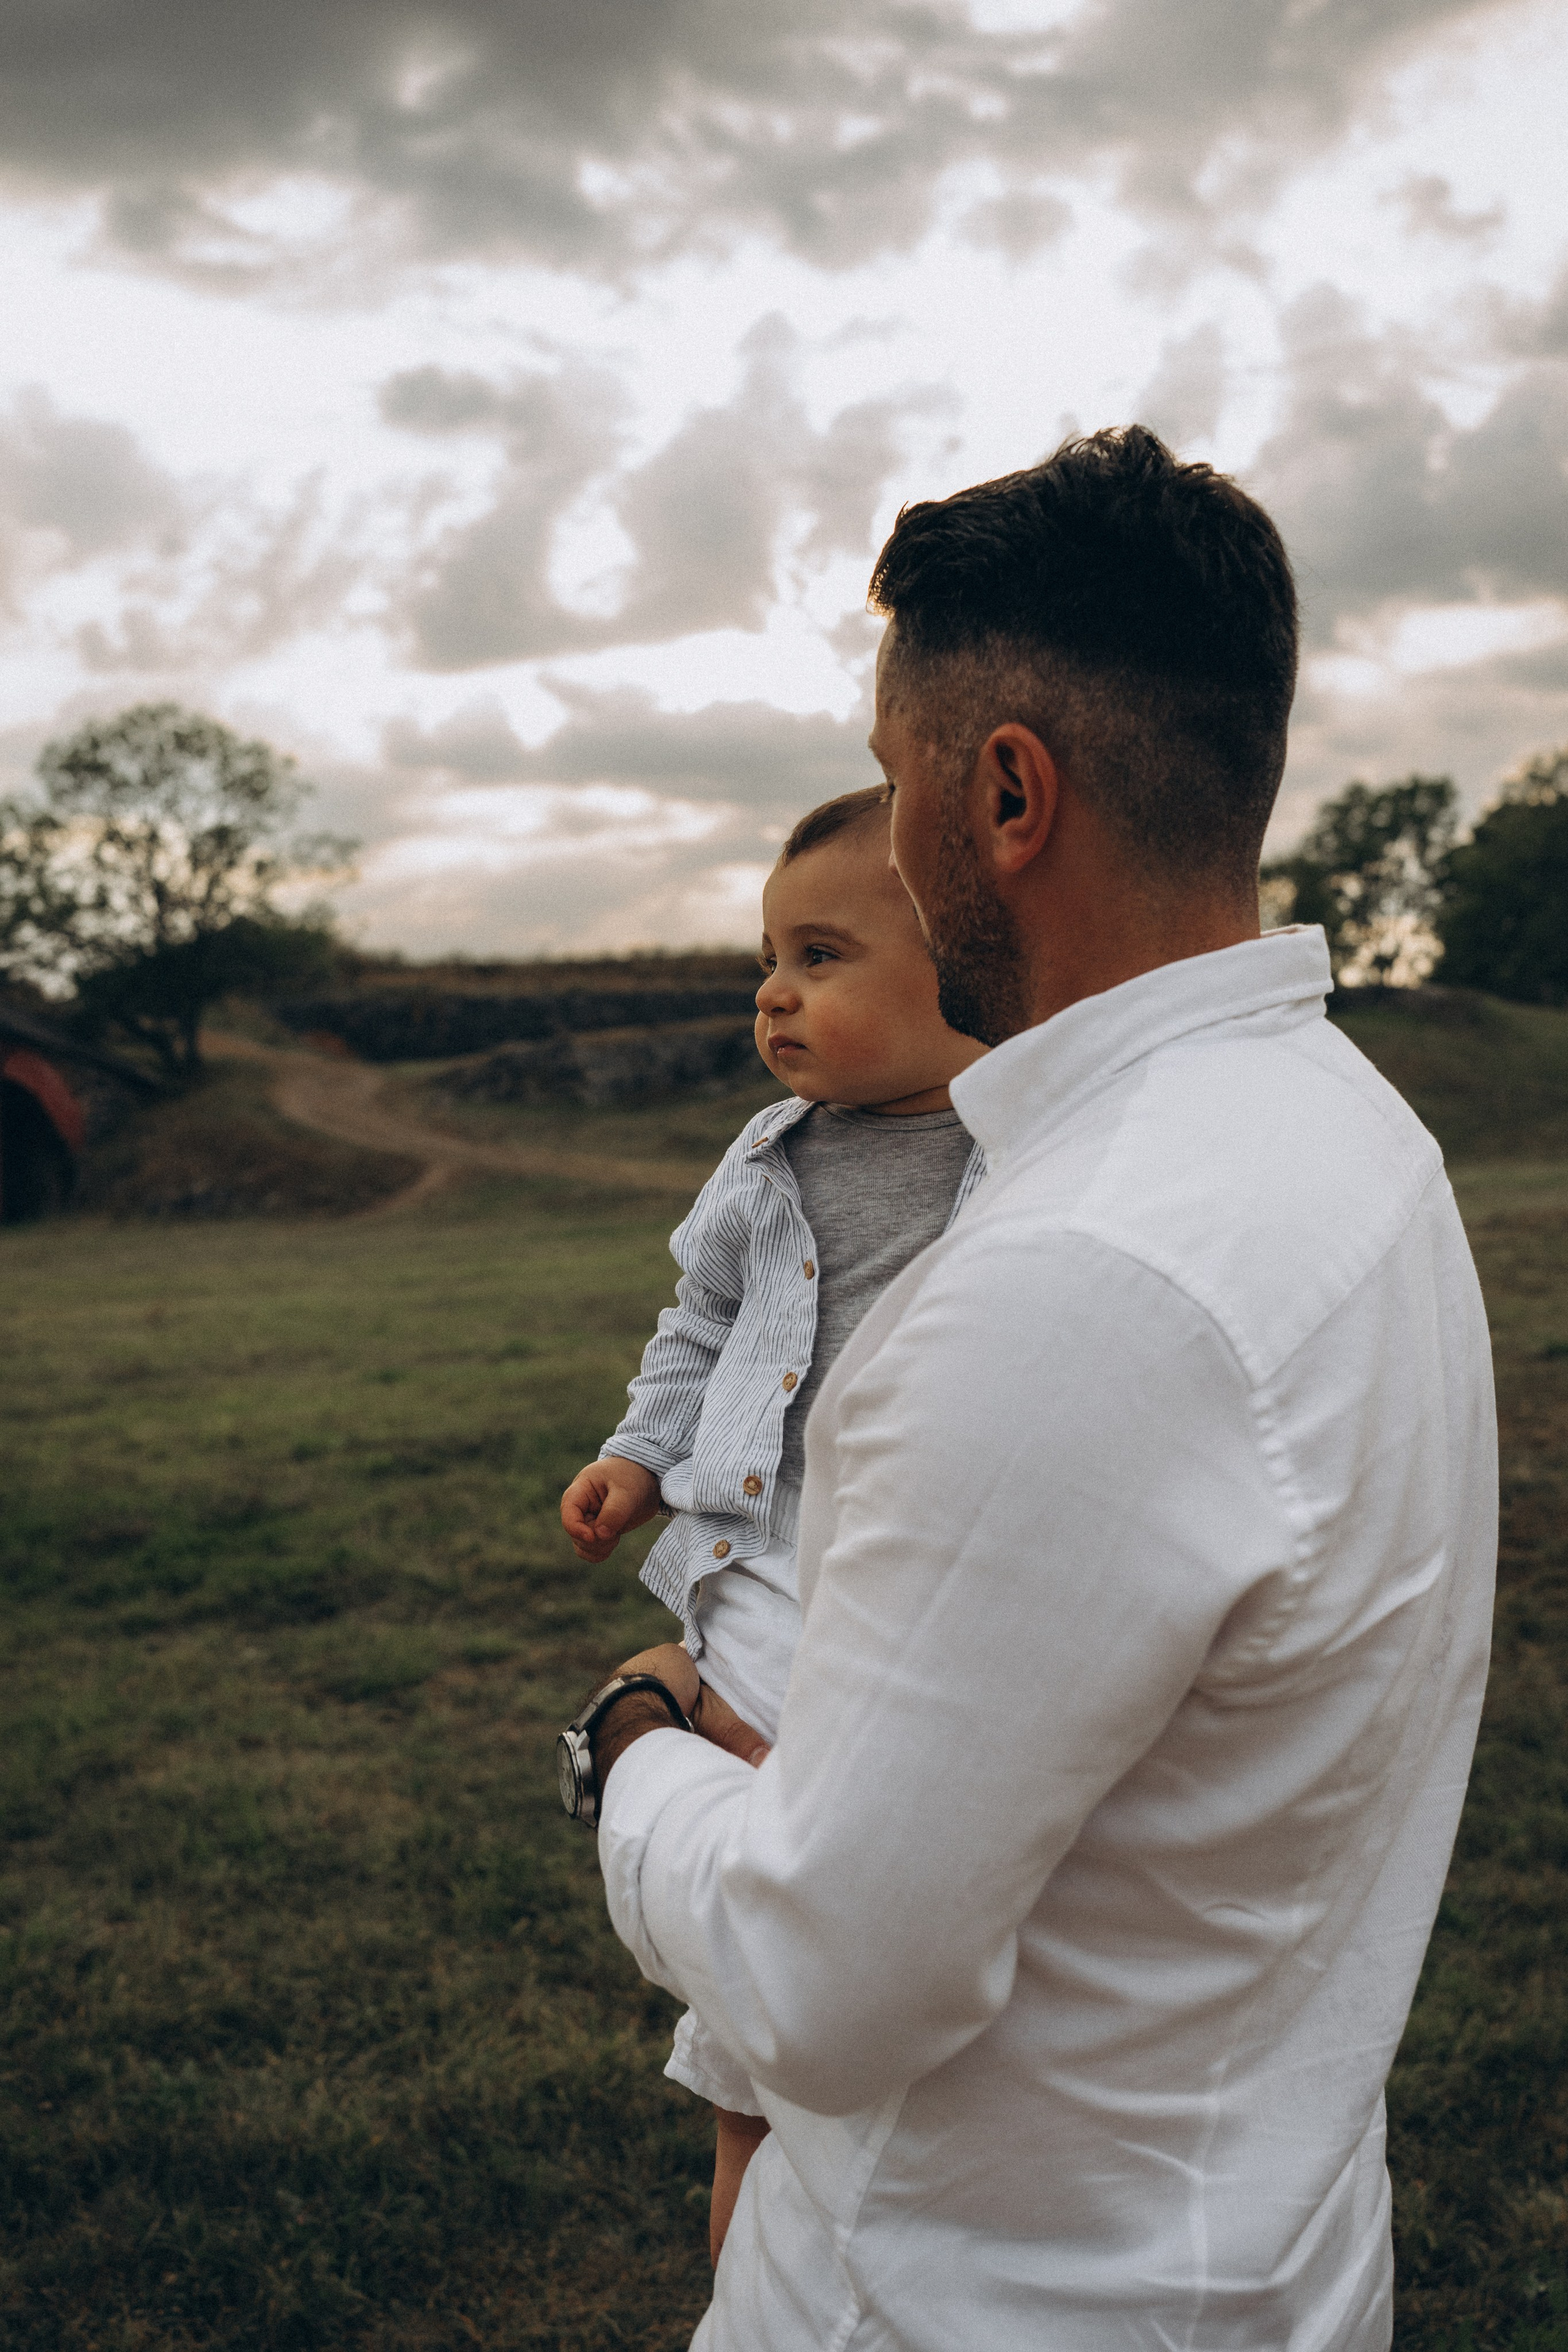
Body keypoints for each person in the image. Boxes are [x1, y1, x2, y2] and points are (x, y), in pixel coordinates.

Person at [570, 426, 1498, 2348]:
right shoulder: (1357, 1145)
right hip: (1257, 2269)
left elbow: (824, 1983)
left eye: (900, 785)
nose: (894, 844)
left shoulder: (1069, 1280)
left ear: (1002, 792)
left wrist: (629, 1751)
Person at [559, 787, 984, 2262]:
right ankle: (752, 2249)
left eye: (821, 955)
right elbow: (697, 1324)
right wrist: (634, 1454)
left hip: (888, 1572)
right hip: (756, 1563)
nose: (772, 991)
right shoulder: (766, 1162)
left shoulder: (1020, 1161)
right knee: (758, 2036)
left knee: (837, 1936)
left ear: (965, 969)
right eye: (768, 955)